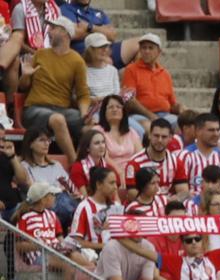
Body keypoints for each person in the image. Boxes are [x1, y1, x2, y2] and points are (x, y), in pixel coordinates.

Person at [19, 15, 88, 162]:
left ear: (65, 33)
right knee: (58, 119)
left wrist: (84, 115)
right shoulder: (40, 54)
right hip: (35, 109)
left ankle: (90, 163)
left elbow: (83, 95)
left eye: (53, 28)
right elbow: (23, 87)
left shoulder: (77, 61)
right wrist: (25, 75)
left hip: (62, 109)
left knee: (91, 126)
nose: (49, 31)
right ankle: (75, 164)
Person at [16, 182, 84, 280]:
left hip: (55, 252)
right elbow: (19, 245)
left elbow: (59, 238)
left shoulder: (52, 215)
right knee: (68, 265)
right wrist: (39, 245)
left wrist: (64, 247)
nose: (55, 198)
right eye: (52, 195)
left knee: (80, 258)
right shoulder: (25, 218)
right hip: (39, 256)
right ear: (43, 199)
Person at [122, 34, 181, 129]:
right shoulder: (131, 70)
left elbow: (172, 103)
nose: (147, 51)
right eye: (144, 48)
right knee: (149, 127)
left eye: (150, 48)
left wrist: (181, 109)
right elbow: (129, 99)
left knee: (182, 125)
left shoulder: (165, 73)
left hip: (164, 115)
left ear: (159, 52)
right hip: (140, 115)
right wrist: (151, 115)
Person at [123, 117, 187, 202]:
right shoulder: (134, 163)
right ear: (149, 135)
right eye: (156, 136)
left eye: (164, 137)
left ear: (170, 138)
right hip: (144, 206)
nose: (159, 140)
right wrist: (161, 201)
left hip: (169, 206)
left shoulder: (176, 162)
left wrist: (174, 200)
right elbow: (132, 194)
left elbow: (184, 192)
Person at [182, 113, 220, 208]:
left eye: (218, 130)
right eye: (211, 130)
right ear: (198, 131)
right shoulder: (184, 156)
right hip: (192, 207)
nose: (216, 134)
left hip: (218, 206)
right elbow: (182, 191)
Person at [95, 95, 140, 181]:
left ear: (123, 111)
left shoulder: (131, 131)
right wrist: (120, 172)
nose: (115, 109)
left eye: (118, 107)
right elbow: (104, 158)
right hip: (110, 174)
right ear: (104, 111)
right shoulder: (98, 131)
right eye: (110, 107)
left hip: (132, 172)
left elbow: (139, 155)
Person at [68, 128, 115, 196]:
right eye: (97, 143)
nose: (101, 146)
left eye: (103, 142)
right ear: (87, 148)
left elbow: (114, 195)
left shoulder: (108, 167)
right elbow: (84, 196)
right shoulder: (78, 167)